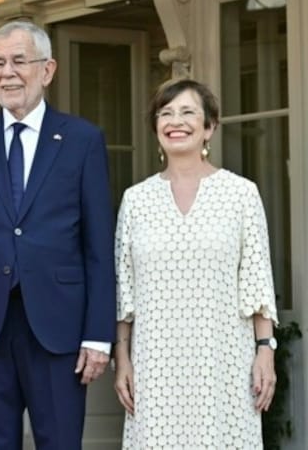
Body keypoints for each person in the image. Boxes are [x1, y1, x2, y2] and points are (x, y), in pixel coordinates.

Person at [0, 20, 116, 449]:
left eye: (19, 60)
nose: (6, 72)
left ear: (48, 70)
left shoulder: (82, 140)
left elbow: (97, 247)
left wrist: (97, 335)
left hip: (60, 328)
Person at [112, 78, 278, 449]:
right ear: (156, 128)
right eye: (166, 113)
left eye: (189, 112)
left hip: (223, 360)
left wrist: (265, 349)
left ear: (209, 128)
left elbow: (256, 281)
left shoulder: (241, 194)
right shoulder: (136, 201)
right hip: (155, 364)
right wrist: (121, 358)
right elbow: (125, 290)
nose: (176, 121)